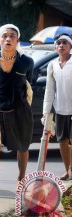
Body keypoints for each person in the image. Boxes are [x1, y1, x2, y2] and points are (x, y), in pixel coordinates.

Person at [0, 24, 34, 198]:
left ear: (17, 40)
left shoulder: (27, 62)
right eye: (4, 36)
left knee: (23, 146)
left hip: (20, 111)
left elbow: (29, 84)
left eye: (12, 36)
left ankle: (21, 180)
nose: (8, 39)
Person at [42, 33, 72, 180]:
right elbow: (49, 90)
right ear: (55, 47)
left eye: (65, 42)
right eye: (59, 43)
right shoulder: (52, 65)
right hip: (60, 110)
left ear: (70, 46)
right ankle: (68, 171)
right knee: (62, 141)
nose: (61, 45)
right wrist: (45, 112)